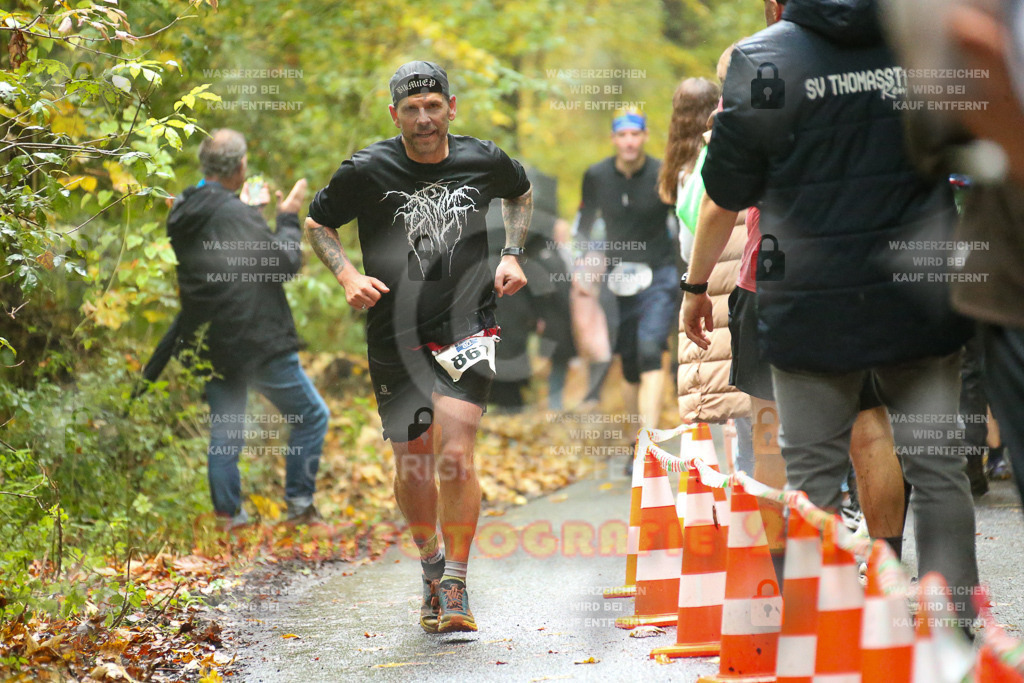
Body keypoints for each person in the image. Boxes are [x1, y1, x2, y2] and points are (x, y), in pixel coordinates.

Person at [684, 0, 979, 615]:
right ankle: (952, 634)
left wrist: (693, 286)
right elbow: (968, 157)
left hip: (809, 307)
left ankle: (813, 642)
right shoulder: (920, 40)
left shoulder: (760, 59)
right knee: (937, 470)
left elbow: (727, 189)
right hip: (916, 300)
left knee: (812, 482)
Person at [303, 61, 533, 633]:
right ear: (395, 114)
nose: (424, 118)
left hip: (468, 325)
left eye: (434, 105)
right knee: (413, 460)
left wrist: (511, 253)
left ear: (451, 107)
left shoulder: (484, 158)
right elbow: (316, 223)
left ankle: (455, 583)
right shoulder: (366, 168)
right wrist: (347, 277)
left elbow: (521, 193)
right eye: (412, 108)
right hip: (392, 333)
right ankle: (430, 566)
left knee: (454, 454)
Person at [166, 128, 329, 529]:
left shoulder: (185, 206)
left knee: (226, 431)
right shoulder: (232, 213)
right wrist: (287, 217)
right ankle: (299, 509)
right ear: (240, 167)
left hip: (211, 342)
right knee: (311, 416)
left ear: (205, 165)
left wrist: (251, 215)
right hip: (256, 341)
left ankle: (229, 521)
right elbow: (283, 263)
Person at [575, 108, 678, 472]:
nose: (630, 141)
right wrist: (583, 265)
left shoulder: (664, 173)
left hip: (661, 272)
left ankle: (649, 443)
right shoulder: (597, 176)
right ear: (614, 140)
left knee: (651, 348)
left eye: (636, 134)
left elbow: (684, 218)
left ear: (645, 136)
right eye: (623, 135)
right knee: (630, 361)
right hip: (618, 278)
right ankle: (638, 438)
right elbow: (583, 225)